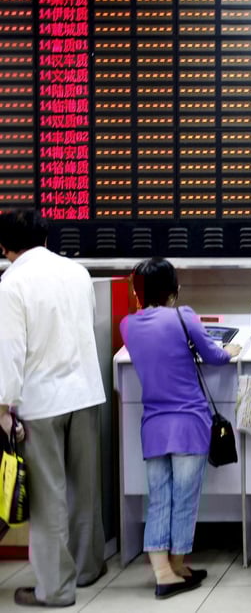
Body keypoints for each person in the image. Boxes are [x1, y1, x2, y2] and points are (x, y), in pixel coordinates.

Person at [0, 210, 107, 607]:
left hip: (41, 401)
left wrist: (3, 407)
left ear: (4, 247)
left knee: (48, 500)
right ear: (45, 237)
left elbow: (9, 353)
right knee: (84, 491)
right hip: (85, 393)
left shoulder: (11, 284)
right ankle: (87, 568)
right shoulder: (77, 273)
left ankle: (56, 589)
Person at [120, 258, 241, 599]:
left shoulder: (128, 325)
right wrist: (229, 350)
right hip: (189, 423)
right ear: (174, 289)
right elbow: (215, 357)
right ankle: (172, 569)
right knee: (184, 500)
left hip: (154, 426)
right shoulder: (182, 316)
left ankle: (168, 569)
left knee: (159, 500)